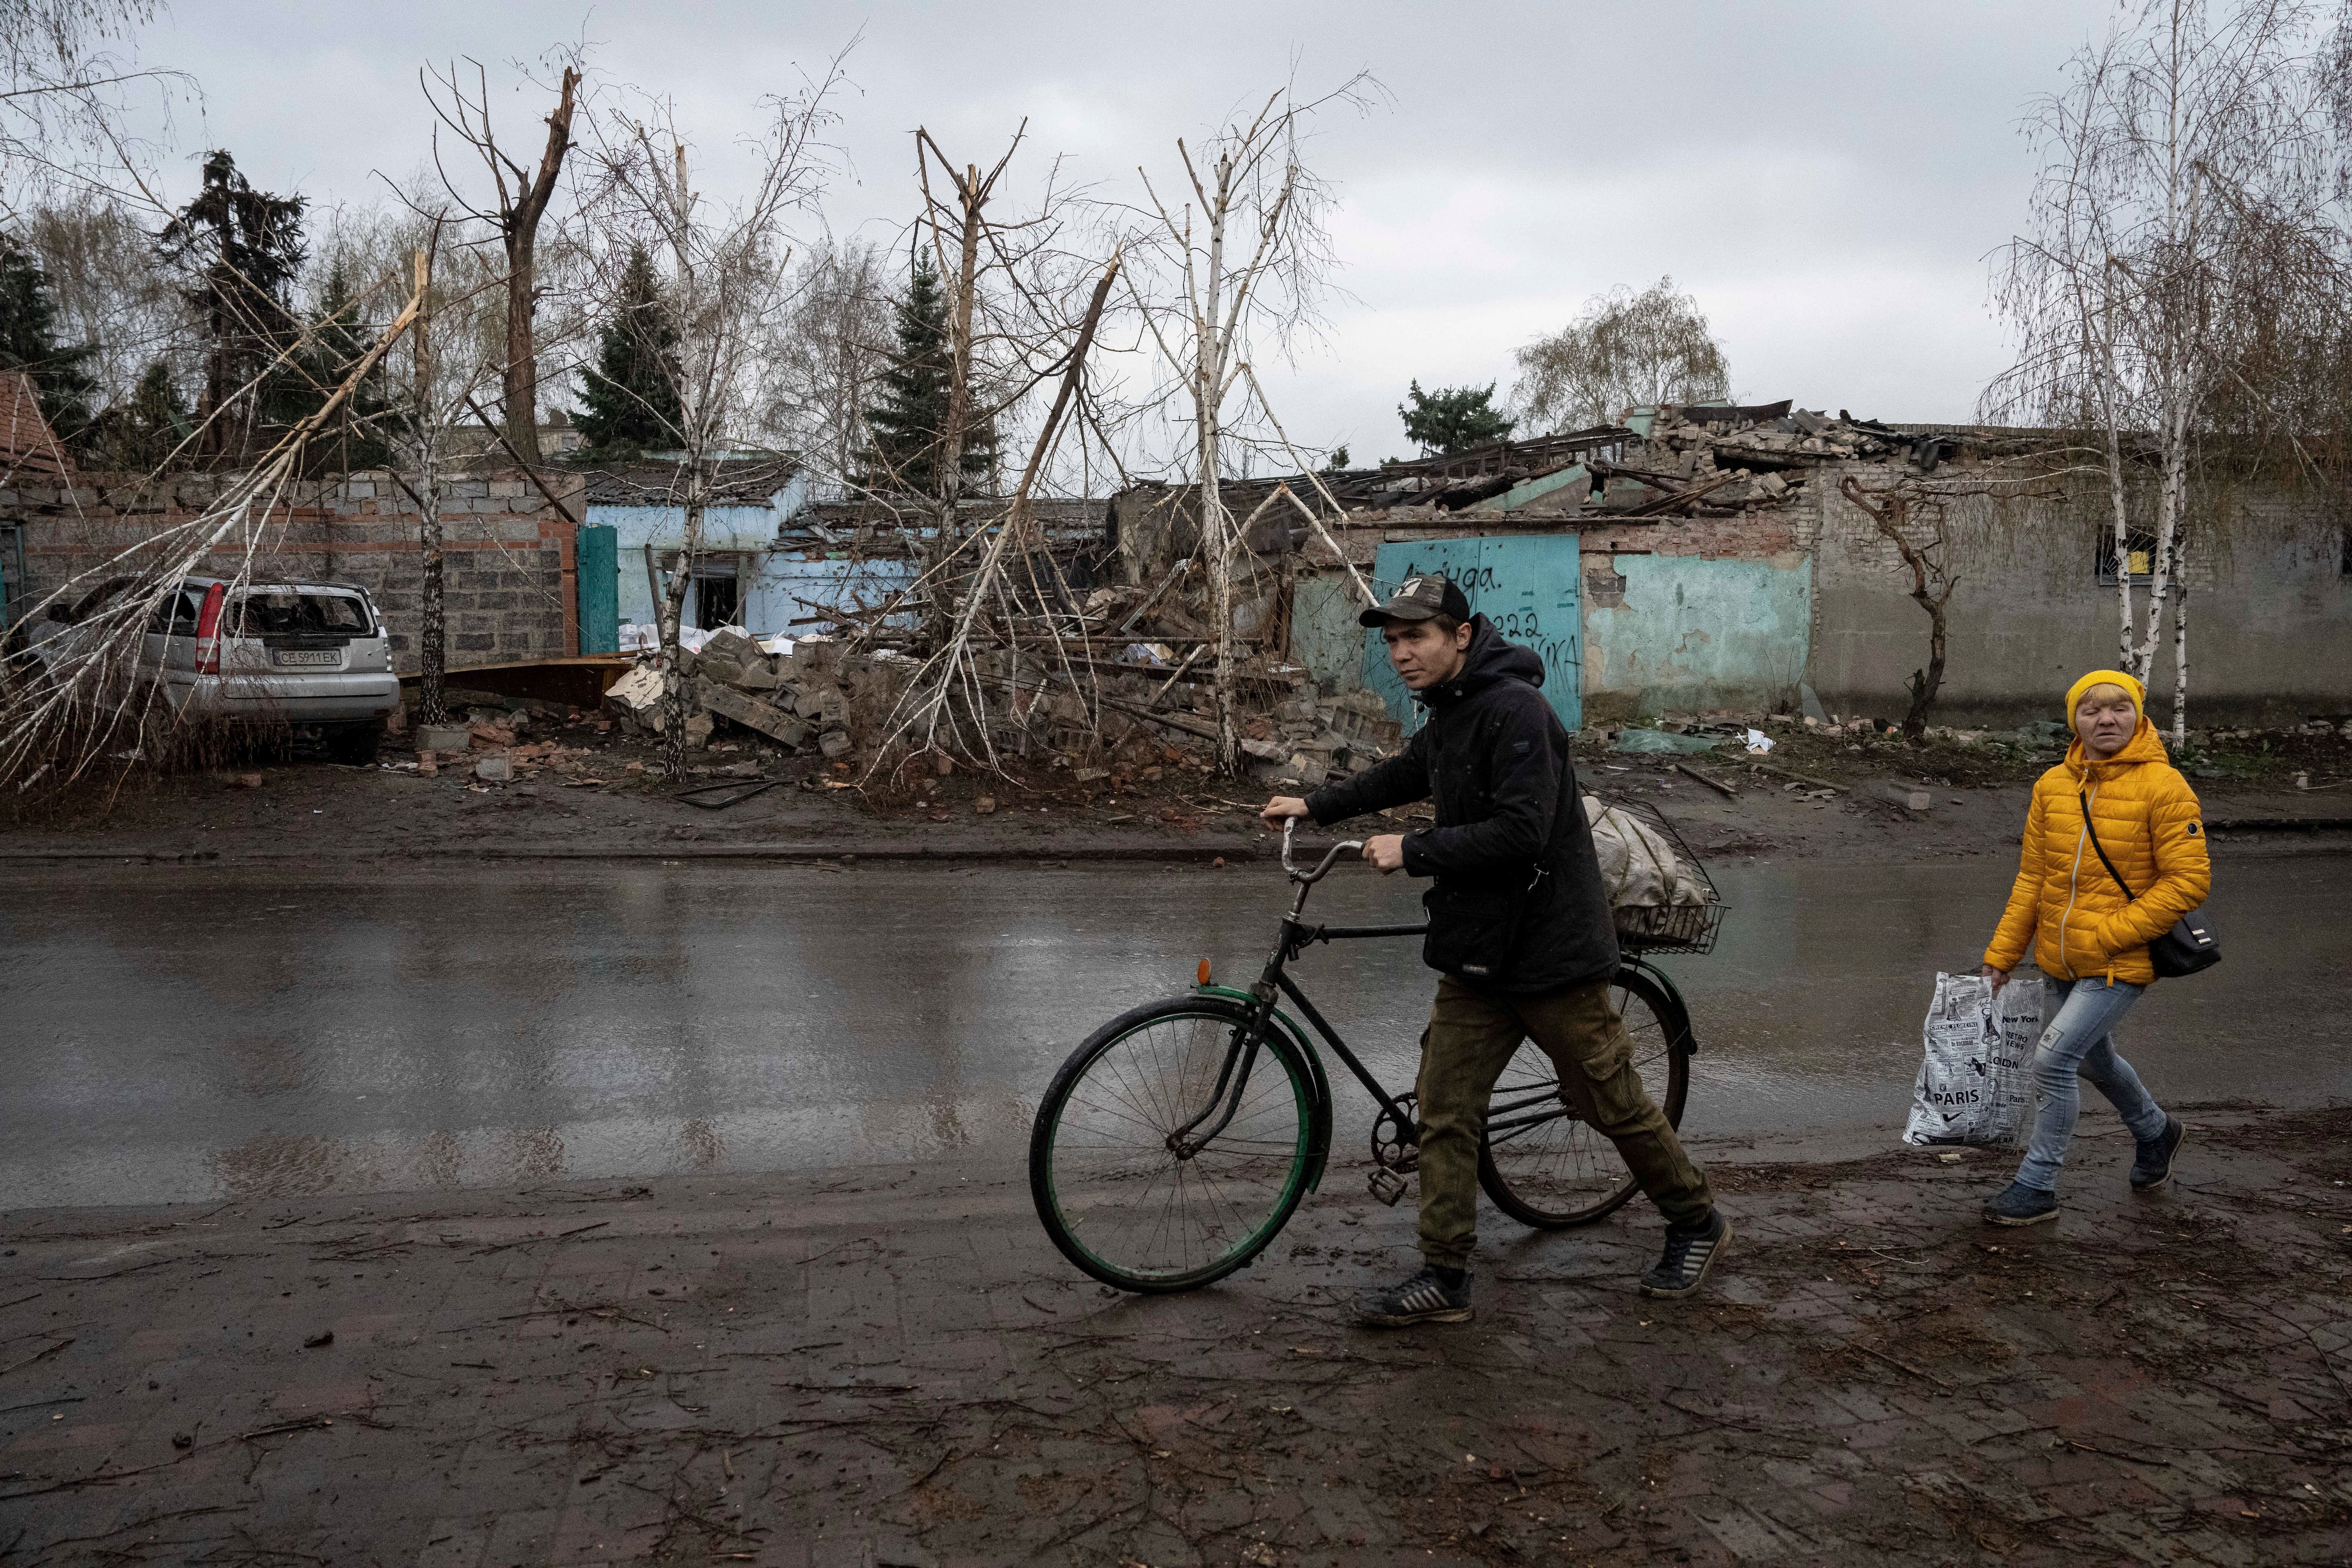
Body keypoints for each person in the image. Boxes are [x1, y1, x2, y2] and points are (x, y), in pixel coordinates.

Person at [1260, 573, 1727, 1327]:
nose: (1403, 653)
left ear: (1462, 636)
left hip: (1550, 953)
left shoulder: (1518, 712)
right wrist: (1315, 803)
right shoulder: (1451, 712)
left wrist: (1414, 849)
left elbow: (1522, 832)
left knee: (1611, 1102)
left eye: (1417, 637)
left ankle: (1696, 1219)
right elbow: (1407, 772)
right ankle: (1445, 1275)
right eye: (1393, 642)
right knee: (1445, 1109)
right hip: (1478, 950)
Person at [1979, 669, 2207, 1226]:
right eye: (2090, 710)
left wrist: (2112, 934)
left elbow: (2187, 881)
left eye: (2117, 708)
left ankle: (2036, 1185)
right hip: (2059, 958)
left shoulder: (2164, 787)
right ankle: (2156, 1133)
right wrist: (2002, 954)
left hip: (2117, 961)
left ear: (2137, 715)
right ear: (2073, 720)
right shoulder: (2052, 785)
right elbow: (2032, 877)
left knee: (2053, 1061)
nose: (2105, 719)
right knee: (2094, 1061)